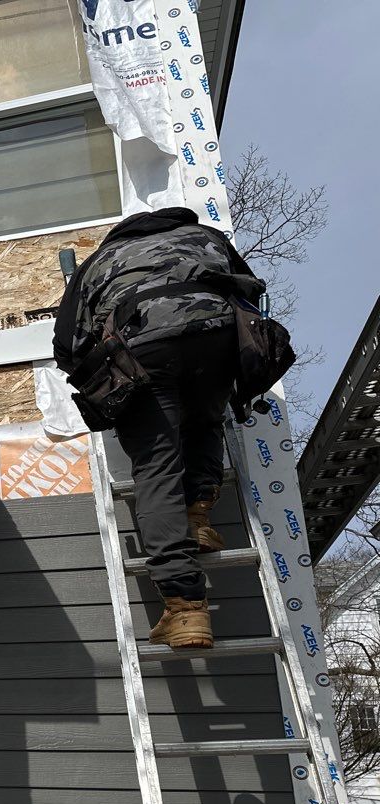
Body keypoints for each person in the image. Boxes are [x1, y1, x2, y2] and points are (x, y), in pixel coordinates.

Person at [53, 207, 263, 649]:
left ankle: (185, 607)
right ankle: (198, 516)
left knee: (156, 465)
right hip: (217, 334)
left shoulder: (99, 262)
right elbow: (250, 293)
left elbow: (67, 344)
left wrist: (96, 377)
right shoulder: (206, 238)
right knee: (206, 418)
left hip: (142, 347)